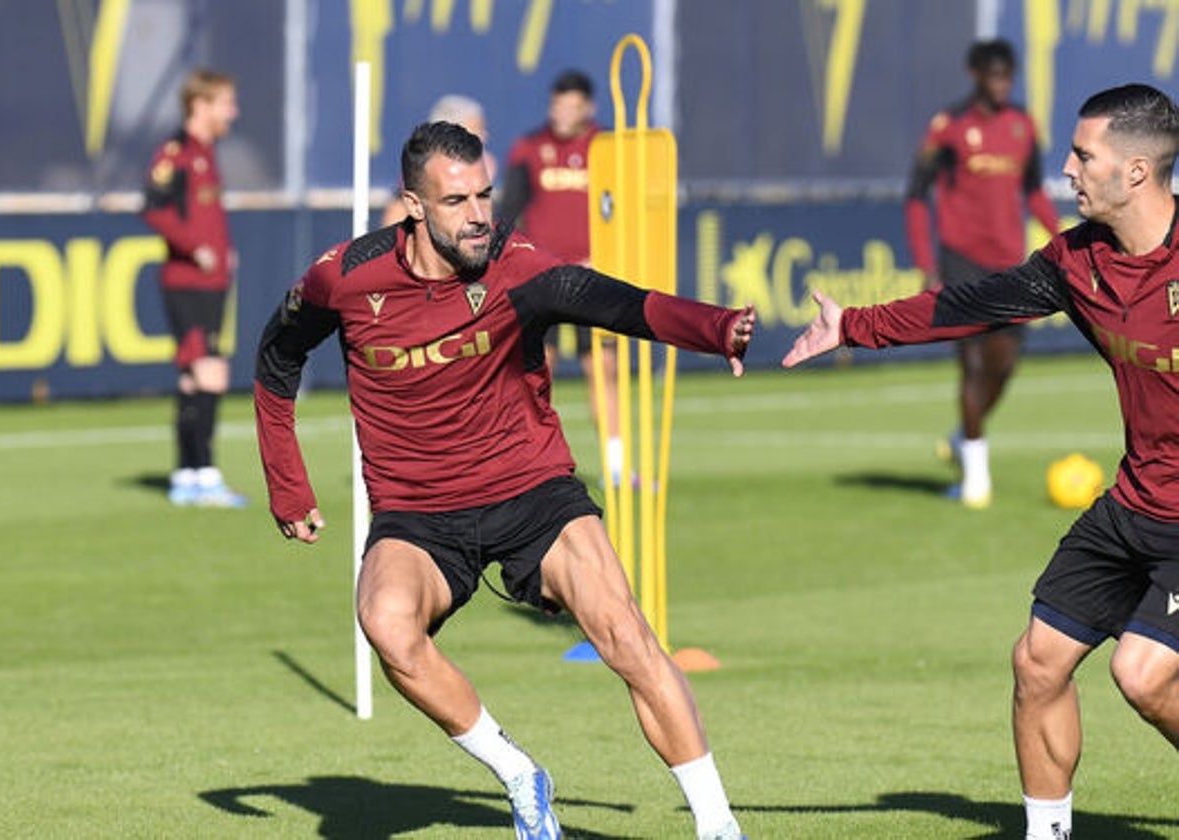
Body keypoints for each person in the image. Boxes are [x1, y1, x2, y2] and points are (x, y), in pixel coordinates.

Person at [254, 121, 753, 840]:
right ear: (414, 207)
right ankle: (520, 774)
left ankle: (718, 826)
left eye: (484, 193)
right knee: (386, 625)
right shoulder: (345, 275)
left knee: (625, 635)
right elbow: (276, 360)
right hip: (418, 513)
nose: (480, 213)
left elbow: (612, 299)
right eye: (457, 201)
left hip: (533, 493)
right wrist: (288, 488)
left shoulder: (515, 264)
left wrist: (714, 327)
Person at [784, 83, 1179, 840]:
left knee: (1141, 673)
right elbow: (970, 302)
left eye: (1083, 154)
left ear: (1135, 171)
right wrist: (854, 327)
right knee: (1036, 663)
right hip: (1134, 507)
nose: (1065, 168)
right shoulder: (1077, 260)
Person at [905, 39, 1060, 509]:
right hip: (961, 260)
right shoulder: (948, 128)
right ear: (975, 75)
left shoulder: (1022, 126)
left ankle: (962, 438)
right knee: (972, 364)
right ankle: (975, 481)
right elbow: (916, 194)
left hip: (1010, 262)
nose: (1001, 84)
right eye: (993, 75)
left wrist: (1061, 236)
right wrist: (927, 265)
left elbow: (1032, 190)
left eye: (1007, 76)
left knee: (1004, 366)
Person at [497, 70, 626, 485]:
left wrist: (608, 257)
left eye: (570, 106)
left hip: (593, 276)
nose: (561, 113)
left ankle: (618, 466)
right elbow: (508, 211)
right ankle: (531, 462)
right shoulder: (531, 149)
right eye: (556, 104)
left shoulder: (607, 149)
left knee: (603, 366)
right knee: (538, 367)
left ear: (589, 107)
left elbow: (623, 211)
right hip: (543, 278)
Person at [142, 68, 246, 508]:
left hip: (210, 281)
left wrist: (223, 252)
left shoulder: (206, 152)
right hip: (189, 283)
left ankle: (186, 474)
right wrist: (196, 248)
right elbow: (154, 208)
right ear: (200, 104)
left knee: (192, 379)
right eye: (226, 103)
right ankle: (205, 473)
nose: (233, 112)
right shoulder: (178, 152)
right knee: (210, 373)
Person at [380, 94, 496, 227]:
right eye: (477, 130)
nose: (485, 137)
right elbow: (394, 219)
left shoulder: (486, 166)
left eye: (482, 195)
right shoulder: (421, 175)